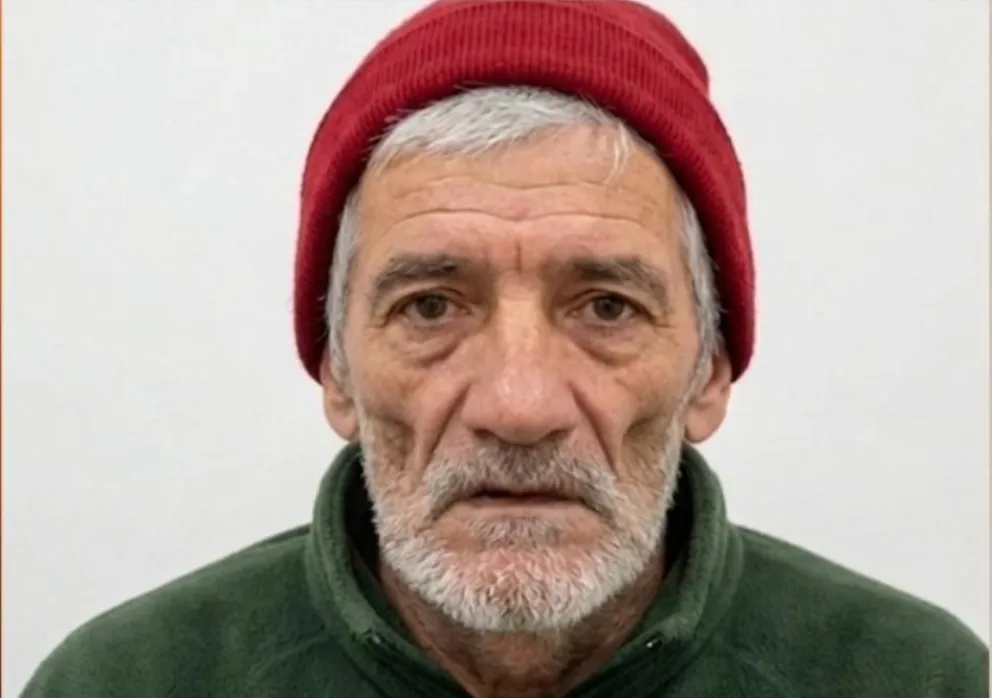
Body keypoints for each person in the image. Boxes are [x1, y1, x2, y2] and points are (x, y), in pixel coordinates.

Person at [21, 1, 988, 696]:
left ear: (711, 371)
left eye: (606, 307)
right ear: (336, 371)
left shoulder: (918, 680)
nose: (519, 407)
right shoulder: (126, 681)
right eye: (431, 307)